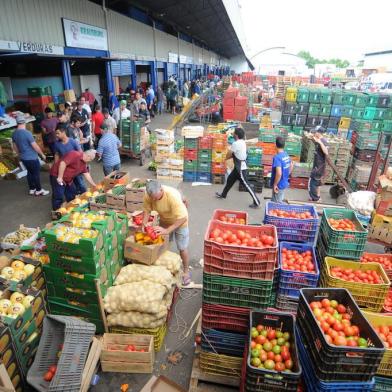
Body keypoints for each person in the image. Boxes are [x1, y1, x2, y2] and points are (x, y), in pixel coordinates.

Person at [143, 180, 191, 286]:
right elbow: (147, 210)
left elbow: (183, 218)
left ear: (161, 189)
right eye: (152, 198)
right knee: (164, 245)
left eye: (156, 197)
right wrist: (144, 224)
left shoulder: (171, 196)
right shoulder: (149, 195)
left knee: (182, 248)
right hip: (165, 220)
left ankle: (186, 271)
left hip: (180, 221)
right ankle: (166, 268)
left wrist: (167, 230)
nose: (154, 200)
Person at [216, 127, 260, 208]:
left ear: (236, 135)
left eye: (234, 133)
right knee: (229, 180)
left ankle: (257, 202)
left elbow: (229, 153)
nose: (233, 134)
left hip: (240, 168)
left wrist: (224, 159)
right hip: (238, 167)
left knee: (246, 185)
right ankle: (223, 195)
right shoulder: (243, 142)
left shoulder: (235, 144)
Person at [12, 114, 49, 196]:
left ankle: (32, 189)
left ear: (17, 123)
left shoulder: (14, 134)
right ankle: (39, 190)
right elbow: (35, 146)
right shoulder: (27, 133)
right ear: (24, 122)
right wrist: (42, 154)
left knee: (29, 172)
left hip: (23, 157)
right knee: (35, 173)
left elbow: (15, 147)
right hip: (32, 157)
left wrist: (20, 154)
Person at [54, 124, 86, 195]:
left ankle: (85, 197)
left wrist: (82, 165)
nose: (56, 135)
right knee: (70, 187)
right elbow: (57, 155)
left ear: (63, 132)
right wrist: (56, 167)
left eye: (58, 133)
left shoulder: (73, 142)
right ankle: (75, 199)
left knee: (81, 185)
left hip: (76, 168)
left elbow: (80, 153)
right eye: (56, 133)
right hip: (66, 169)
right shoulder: (57, 144)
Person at [309, 126, 329, 202]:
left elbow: (326, 152)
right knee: (318, 182)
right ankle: (318, 197)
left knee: (312, 183)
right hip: (317, 164)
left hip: (319, 166)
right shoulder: (318, 139)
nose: (314, 133)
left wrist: (320, 143)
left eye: (315, 132)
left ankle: (315, 198)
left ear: (319, 133)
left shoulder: (323, 141)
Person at [270, 136, 293, 203]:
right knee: (280, 200)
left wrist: (275, 185)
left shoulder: (277, 157)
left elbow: (279, 173)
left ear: (275, 145)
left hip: (278, 185)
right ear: (284, 145)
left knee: (276, 204)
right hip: (284, 183)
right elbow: (291, 165)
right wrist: (286, 175)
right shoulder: (286, 155)